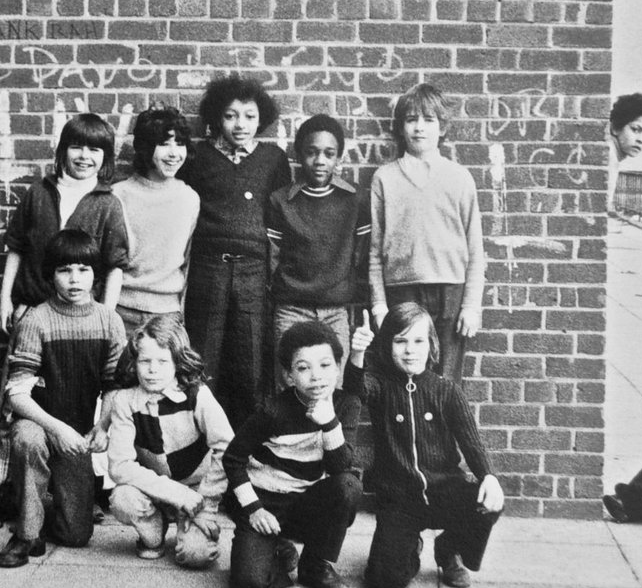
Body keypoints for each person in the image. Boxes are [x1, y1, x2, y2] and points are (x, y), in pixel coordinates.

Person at [0, 113, 129, 529]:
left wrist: (104, 316)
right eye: (77, 146)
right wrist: (5, 298)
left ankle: (69, 493)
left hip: (80, 322)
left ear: (105, 157)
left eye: (96, 149)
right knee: (14, 408)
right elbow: (16, 248)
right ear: (63, 150)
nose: (85, 156)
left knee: (76, 405)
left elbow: (114, 265)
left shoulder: (107, 204)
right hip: (31, 315)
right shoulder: (38, 194)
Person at [345, 302, 503, 588]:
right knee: (383, 580)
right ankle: (409, 547)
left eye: (418, 341)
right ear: (387, 346)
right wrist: (356, 354)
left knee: (489, 500)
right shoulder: (380, 385)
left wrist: (488, 476)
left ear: (431, 345)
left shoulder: (446, 390)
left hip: (445, 491)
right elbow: (354, 390)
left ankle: (448, 549)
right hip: (400, 500)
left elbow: (471, 441)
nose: (410, 349)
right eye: (400, 341)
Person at [0, 229, 127, 568]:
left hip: (78, 434)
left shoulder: (109, 321)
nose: (74, 279)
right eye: (64, 270)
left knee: (76, 535)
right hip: (40, 422)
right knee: (27, 439)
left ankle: (34, 502)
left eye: (83, 270)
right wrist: (57, 429)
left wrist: (102, 426)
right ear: (51, 275)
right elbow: (17, 394)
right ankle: (26, 534)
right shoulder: (36, 320)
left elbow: (114, 386)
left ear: (95, 275)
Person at [178, 75, 291, 429]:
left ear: (261, 120)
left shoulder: (272, 159)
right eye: (230, 115)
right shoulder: (198, 158)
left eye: (249, 116)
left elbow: (281, 218)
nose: (240, 124)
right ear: (216, 118)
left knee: (251, 361)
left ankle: (246, 451)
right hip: (208, 269)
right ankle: (199, 445)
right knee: (203, 356)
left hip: (254, 273)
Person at [223, 321, 362, 588]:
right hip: (266, 504)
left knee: (348, 485)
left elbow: (340, 469)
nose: (316, 377)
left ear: (337, 367)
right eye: (303, 368)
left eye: (325, 365)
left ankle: (315, 565)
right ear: (288, 375)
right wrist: (254, 510)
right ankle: (276, 550)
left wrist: (330, 423)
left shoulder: (345, 405)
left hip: (306, 504)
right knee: (248, 585)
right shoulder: (273, 411)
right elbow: (232, 459)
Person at [368, 83, 484, 383]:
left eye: (429, 120)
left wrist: (470, 306)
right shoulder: (385, 178)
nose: (419, 128)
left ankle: (443, 433)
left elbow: (475, 250)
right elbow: (374, 250)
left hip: (450, 292)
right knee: (402, 378)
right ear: (401, 127)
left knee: (445, 382)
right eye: (411, 119)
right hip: (402, 291)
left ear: (442, 127)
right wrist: (379, 303)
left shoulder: (459, 178)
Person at [106, 315, 233, 568]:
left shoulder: (197, 395)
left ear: (177, 361)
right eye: (145, 361)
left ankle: (193, 529)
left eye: (163, 361)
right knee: (122, 498)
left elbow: (226, 446)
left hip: (197, 494)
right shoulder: (124, 401)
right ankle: (154, 530)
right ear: (134, 363)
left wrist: (207, 504)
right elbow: (119, 466)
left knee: (195, 556)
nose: (153, 370)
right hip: (156, 492)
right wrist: (175, 493)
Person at [266, 114, 371, 388]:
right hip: (291, 309)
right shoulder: (281, 200)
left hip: (335, 310)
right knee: (290, 387)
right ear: (300, 155)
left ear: (338, 157)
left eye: (329, 153)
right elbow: (272, 257)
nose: (320, 161)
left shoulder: (355, 199)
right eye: (311, 153)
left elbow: (361, 256)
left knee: (334, 386)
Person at [111, 108, 200, 337]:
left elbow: (188, 263)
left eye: (179, 143)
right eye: (163, 144)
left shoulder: (189, 199)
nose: (173, 153)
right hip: (120, 311)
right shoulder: (118, 195)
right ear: (145, 147)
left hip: (167, 314)